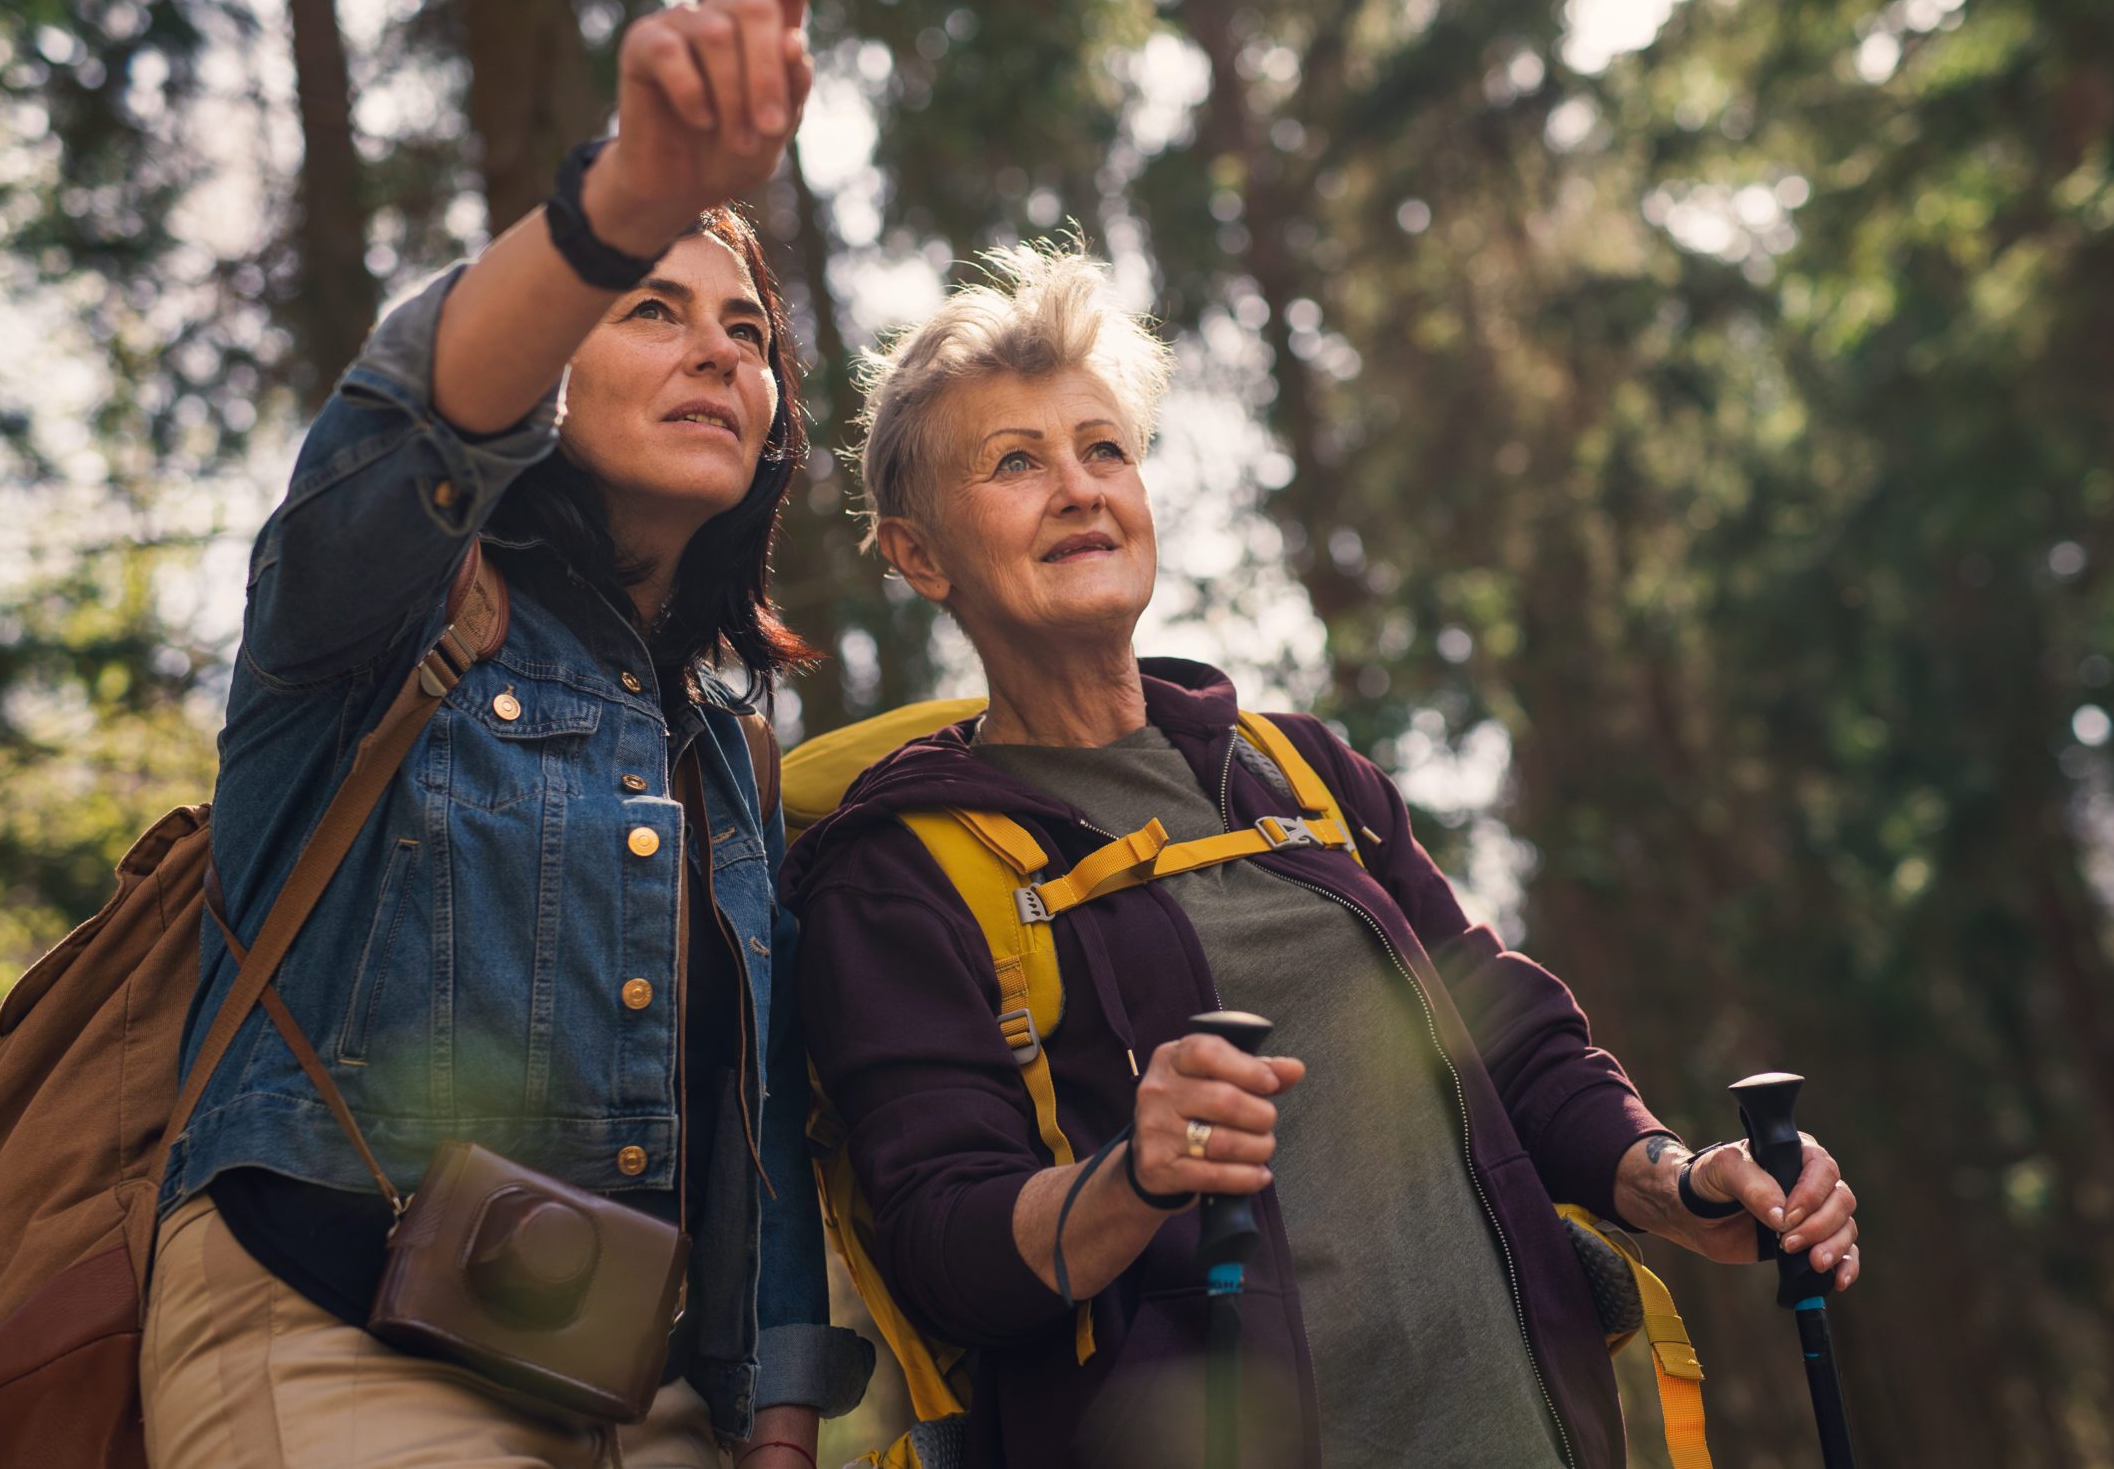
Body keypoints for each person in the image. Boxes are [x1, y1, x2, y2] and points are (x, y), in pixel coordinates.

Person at [788, 246, 1863, 1469]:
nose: (1080, 489)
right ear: (919, 555)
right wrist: (1133, 1177)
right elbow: (942, 1248)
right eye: (1016, 462)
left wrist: (1679, 1182)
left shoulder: (1297, 772)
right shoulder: (898, 874)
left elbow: (1507, 1040)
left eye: (1105, 449)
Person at [143, 0, 868, 1469]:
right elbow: (417, 418)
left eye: (747, 330)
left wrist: (778, 1411)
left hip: (633, 1386)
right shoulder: (381, 608)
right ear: (553, 365)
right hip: (330, 1332)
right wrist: (626, 201)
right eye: (652, 309)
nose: (715, 347)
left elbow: (755, 1126)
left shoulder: (731, 743)